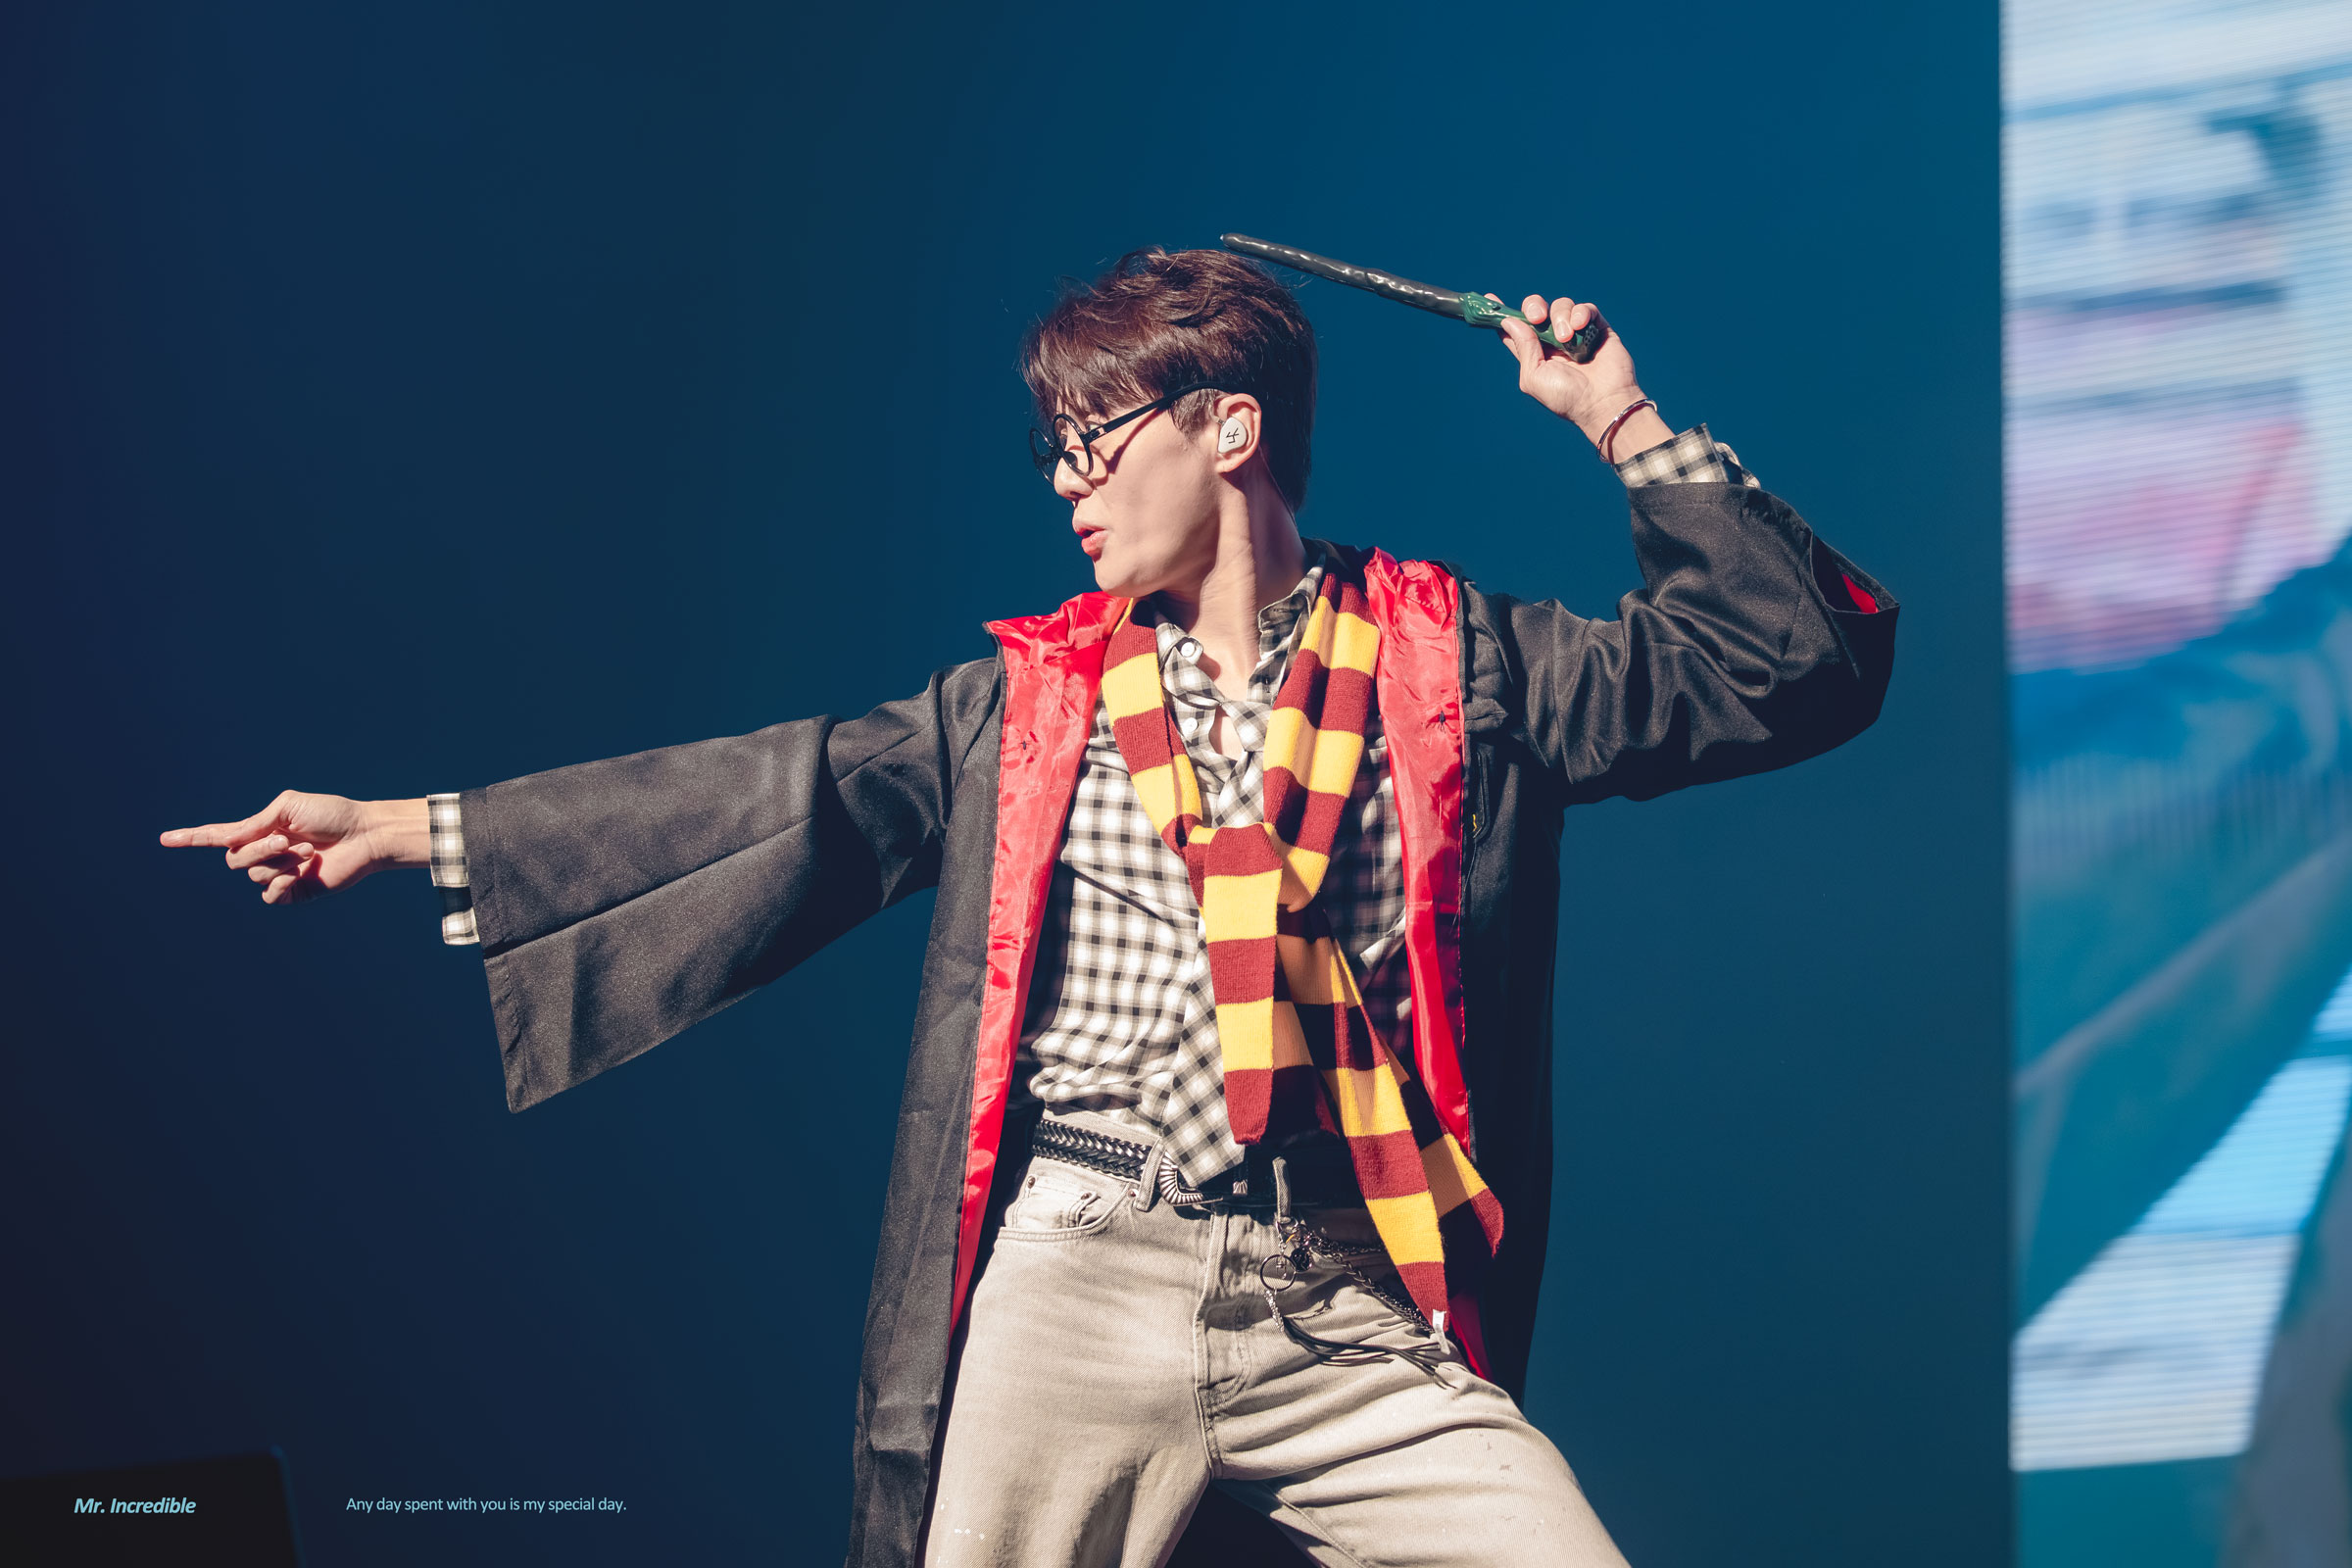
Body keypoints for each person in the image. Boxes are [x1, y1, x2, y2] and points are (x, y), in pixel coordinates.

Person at [162, 247, 1897, 1567]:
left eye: (1095, 439)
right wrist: (418, 828)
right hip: (1080, 1272)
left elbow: (1785, 664)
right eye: (1053, 448)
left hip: (1343, 1297)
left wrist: (1619, 421)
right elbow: (773, 795)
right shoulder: (1031, 705)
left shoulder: (1466, 667)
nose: (1066, 481)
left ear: (1228, 428)